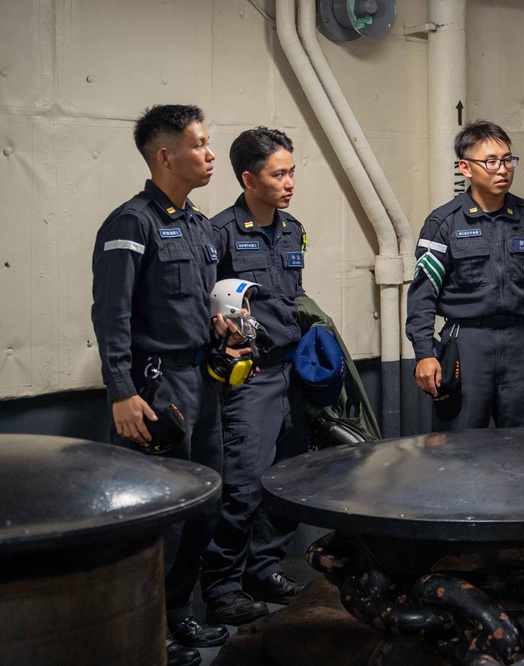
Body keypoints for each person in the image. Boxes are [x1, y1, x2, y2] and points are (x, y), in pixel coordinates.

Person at [91, 104, 228, 666]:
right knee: (160, 515)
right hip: (156, 385)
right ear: (166, 155)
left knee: (203, 507)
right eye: (199, 144)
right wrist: (122, 391)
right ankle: (148, 632)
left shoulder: (199, 226)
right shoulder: (132, 223)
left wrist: (221, 328)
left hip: (203, 379)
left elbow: (200, 303)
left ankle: (177, 613)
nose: (210, 152)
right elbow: (111, 314)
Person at [200, 127, 310, 625]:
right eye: (278, 173)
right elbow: (203, 309)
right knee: (244, 485)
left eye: (291, 171)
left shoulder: (293, 230)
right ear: (248, 178)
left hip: (293, 372)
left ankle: (263, 568)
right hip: (250, 377)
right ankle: (222, 584)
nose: (289, 182)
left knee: (288, 478)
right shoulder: (217, 233)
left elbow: (292, 297)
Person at [406, 120, 524, 430]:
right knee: (460, 448)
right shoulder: (444, 222)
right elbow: (422, 296)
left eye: (507, 160)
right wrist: (424, 353)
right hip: (467, 344)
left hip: (521, 343)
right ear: (466, 168)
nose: (502, 169)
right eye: (491, 162)